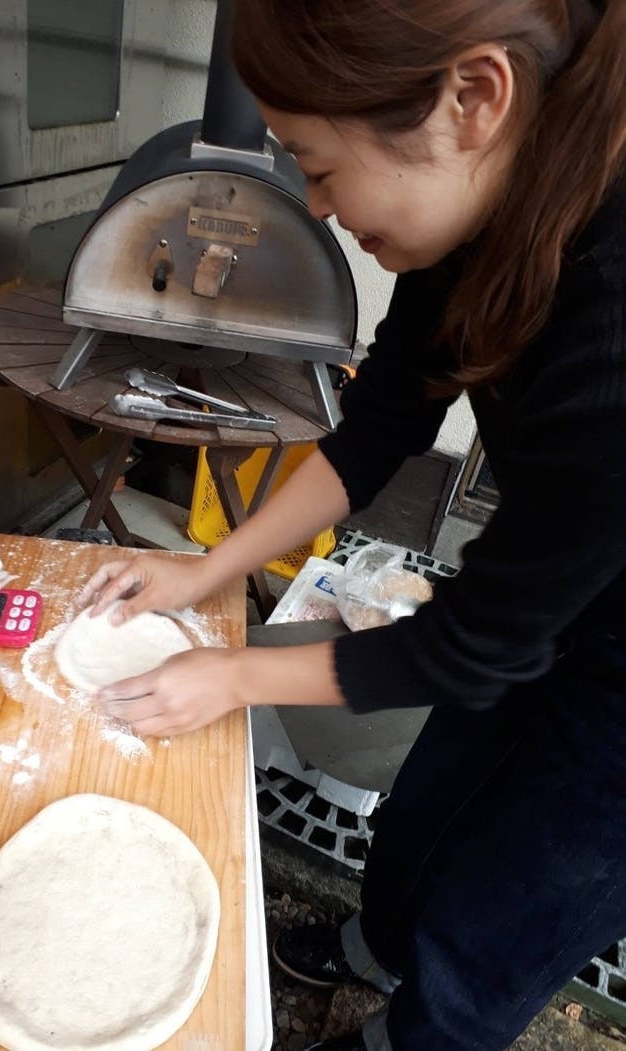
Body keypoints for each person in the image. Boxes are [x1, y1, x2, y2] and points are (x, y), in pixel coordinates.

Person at [80, 1, 626, 1047]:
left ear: (472, 98)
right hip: (556, 573)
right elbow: (379, 425)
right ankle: (378, 947)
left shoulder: (610, 318)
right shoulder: (479, 205)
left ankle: (413, 1030)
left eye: (318, 167)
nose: (319, 209)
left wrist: (234, 674)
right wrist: (207, 571)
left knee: (509, 914)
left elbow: (474, 644)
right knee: (431, 806)